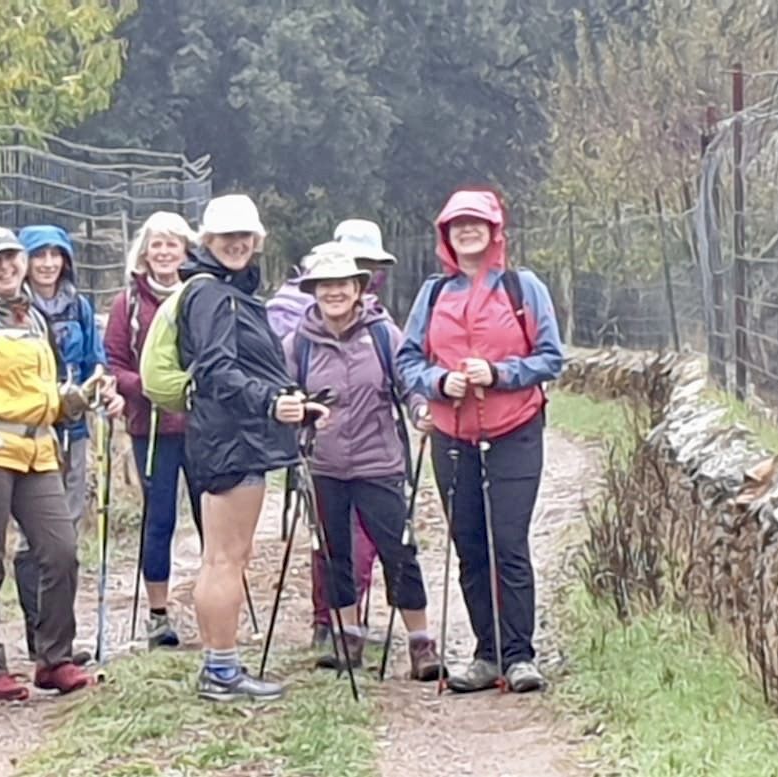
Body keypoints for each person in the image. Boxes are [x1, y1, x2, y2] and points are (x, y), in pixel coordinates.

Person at [395, 188, 565, 694]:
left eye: (477, 223)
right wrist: (436, 383)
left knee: (507, 541)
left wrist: (498, 372)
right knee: (469, 544)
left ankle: (519, 655)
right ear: (445, 235)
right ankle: (486, 654)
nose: (467, 231)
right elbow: (408, 361)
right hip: (452, 437)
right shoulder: (431, 294)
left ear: (495, 231)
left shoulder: (522, 287)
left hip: (514, 430)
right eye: (456, 224)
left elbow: (551, 358)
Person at [0, 226, 108, 701]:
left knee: (61, 550)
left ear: (23, 262)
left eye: (12, 258)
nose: (5, 267)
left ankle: (54, 659)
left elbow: (40, 392)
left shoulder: (32, 318)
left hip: (36, 451)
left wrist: (78, 398)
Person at [179, 194, 327, 702]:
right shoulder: (213, 296)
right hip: (231, 440)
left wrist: (288, 401)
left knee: (224, 555)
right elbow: (216, 369)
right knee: (226, 558)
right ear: (207, 241)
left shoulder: (222, 292)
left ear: (257, 240)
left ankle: (219, 666)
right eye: (226, 236)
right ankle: (220, 671)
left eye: (244, 236)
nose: (237, 243)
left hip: (229, 436)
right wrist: (271, 403)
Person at [282, 250, 442, 679]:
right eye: (325, 285)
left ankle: (421, 644)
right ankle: (346, 634)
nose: (334, 292)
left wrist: (422, 410)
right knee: (334, 553)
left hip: (380, 463)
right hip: (324, 464)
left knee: (399, 551)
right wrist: (293, 409)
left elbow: (408, 383)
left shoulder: (383, 334)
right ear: (313, 291)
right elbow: (283, 390)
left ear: (359, 289)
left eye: (343, 284)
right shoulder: (300, 341)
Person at [13, 224, 120, 665]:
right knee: (30, 541)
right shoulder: (8, 310)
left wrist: (105, 389)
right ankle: (39, 635)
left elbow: (97, 361)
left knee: (65, 537)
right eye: (39, 255)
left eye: (56, 255)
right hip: (27, 431)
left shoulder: (78, 306)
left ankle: (56, 640)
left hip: (72, 431)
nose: (48, 264)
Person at [105, 211, 204, 648]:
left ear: (187, 251)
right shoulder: (126, 303)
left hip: (202, 426)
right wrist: (148, 385)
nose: (164, 253)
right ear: (144, 252)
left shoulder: (202, 295)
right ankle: (158, 614)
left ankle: (216, 609)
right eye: (157, 245)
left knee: (212, 519)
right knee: (158, 519)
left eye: (173, 245)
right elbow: (113, 364)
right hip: (152, 426)